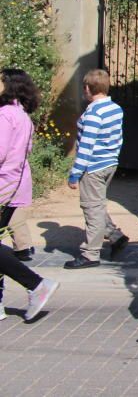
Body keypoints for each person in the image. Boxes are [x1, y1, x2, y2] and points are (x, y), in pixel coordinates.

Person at [0, 68, 58, 322]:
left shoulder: (5, 115)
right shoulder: (22, 116)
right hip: (15, 186)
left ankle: (36, 284)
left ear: (10, 86)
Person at [65, 69, 129, 269]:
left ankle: (90, 254)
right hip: (109, 163)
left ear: (87, 88)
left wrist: (75, 173)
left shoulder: (93, 113)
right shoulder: (115, 109)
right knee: (98, 204)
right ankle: (116, 236)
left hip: (93, 166)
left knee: (92, 208)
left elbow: (86, 147)